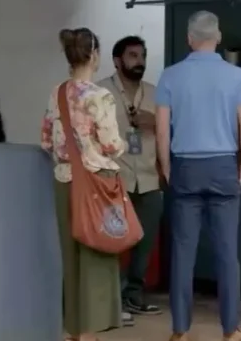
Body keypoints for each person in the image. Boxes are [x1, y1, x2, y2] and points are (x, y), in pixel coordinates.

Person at [155, 11, 241, 341]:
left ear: (189, 39)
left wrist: (166, 167)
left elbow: (161, 130)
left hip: (185, 167)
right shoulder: (237, 76)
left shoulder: (170, 76)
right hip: (224, 166)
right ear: (219, 37)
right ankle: (231, 330)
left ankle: (180, 331)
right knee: (227, 254)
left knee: (183, 254)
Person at [40, 28, 134, 341]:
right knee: (98, 255)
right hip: (97, 183)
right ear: (94, 55)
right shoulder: (100, 96)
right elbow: (111, 145)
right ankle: (90, 333)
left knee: (70, 257)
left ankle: (73, 329)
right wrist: (123, 145)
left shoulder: (56, 93)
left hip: (64, 182)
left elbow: (46, 140)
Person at [96, 35, 163, 316]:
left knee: (144, 242)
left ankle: (133, 295)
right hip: (114, 178)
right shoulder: (101, 93)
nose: (140, 62)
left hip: (148, 179)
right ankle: (109, 300)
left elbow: (173, 131)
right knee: (111, 242)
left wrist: (157, 123)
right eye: (133, 56)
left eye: (142, 56)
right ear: (117, 60)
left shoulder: (155, 93)